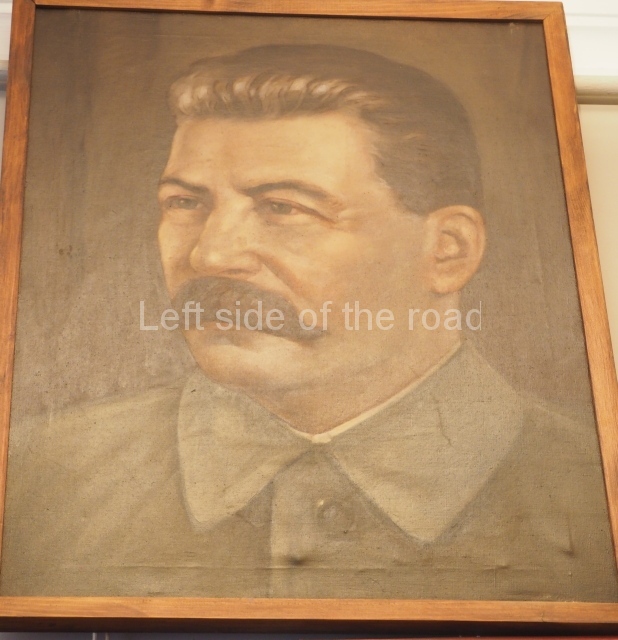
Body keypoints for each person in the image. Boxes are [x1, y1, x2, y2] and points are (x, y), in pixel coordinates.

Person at [1, 45, 616, 600]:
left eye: (283, 207)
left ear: (447, 250)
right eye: (185, 203)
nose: (210, 255)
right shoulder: (42, 474)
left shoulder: (591, 489)